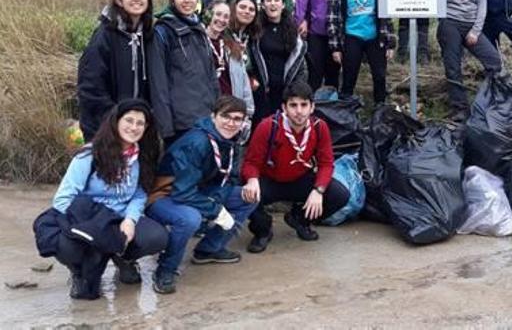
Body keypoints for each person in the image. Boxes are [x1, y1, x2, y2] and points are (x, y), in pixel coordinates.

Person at [46, 99, 168, 299]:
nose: (134, 127)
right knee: (66, 246)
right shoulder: (89, 155)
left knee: (157, 237)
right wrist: (94, 227)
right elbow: (62, 200)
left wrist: (130, 219)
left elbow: (139, 194)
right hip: (88, 220)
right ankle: (79, 272)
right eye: (129, 120)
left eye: (140, 123)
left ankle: (124, 259)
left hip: (120, 218)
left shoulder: (143, 156)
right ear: (116, 121)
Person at [146, 96, 258, 294]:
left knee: (249, 196)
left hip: (197, 190)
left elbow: (228, 178)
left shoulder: (230, 141)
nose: (231, 123)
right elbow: (182, 193)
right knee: (190, 218)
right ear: (213, 116)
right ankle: (166, 269)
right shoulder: (198, 141)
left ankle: (209, 249)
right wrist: (215, 210)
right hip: (165, 195)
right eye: (226, 116)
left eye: (237, 118)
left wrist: (219, 199)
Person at [242, 82, 350, 253]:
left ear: (312, 107)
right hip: (270, 181)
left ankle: (299, 219)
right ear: (284, 107)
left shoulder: (319, 127)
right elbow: (250, 162)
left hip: (300, 179)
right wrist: (252, 180)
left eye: (304, 105)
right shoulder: (268, 126)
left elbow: (326, 164)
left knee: (340, 195)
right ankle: (262, 230)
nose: (299, 111)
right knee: (244, 193)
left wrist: (318, 190)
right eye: (293, 105)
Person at [78, 0, 159, 142]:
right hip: (106, 126)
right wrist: (116, 117)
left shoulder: (149, 36)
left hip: (138, 126)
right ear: (119, 1)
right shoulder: (104, 35)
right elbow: (90, 86)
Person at [434, 0, 502, 121]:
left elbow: (482, 4)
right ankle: (460, 108)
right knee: (452, 65)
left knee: (494, 62)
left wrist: (475, 30)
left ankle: (493, 102)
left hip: (472, 23)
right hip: (450, 23)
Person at [152, 0, 219, 144]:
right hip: (181, 121)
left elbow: (211, 73)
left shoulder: (199, 27)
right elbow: (158, 81)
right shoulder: (162, 31)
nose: (187, 0)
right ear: (172, 0)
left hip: (207, 115)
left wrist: (219, 109)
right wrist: (166, 126)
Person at [328, 0, 396, 104]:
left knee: (380, 76)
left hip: (375, 36)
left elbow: (387, 14)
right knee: (349, 76)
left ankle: (380, 109)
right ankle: (346, 110)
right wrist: (336, 47)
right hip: (352, 35)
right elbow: (332, 17)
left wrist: (390, 42)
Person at [250, 0, 308, 122]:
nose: (272, 3)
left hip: (285, 90)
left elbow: (299, 63)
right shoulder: (256, 29)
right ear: (263, 6)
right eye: (268, 0)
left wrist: (296, 88)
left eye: (276, 0)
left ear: (283, 5)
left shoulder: (292, 30)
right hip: (262, 90)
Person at [296, 0, 345, 92]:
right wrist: (301, 22)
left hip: (337, 36)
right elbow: (301, 5)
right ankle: (311, 109)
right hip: (315, 34)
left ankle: (332, 109)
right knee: (315, 74)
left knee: (333, 75)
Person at [203, 0, 255, 125]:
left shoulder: (232, 46)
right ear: (209, 14)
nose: (222, 19)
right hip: (207, 111)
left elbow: (243, 81)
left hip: (231, 110)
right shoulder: (197, 42)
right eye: (218, 14)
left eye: (226, 16)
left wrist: (248, 113)